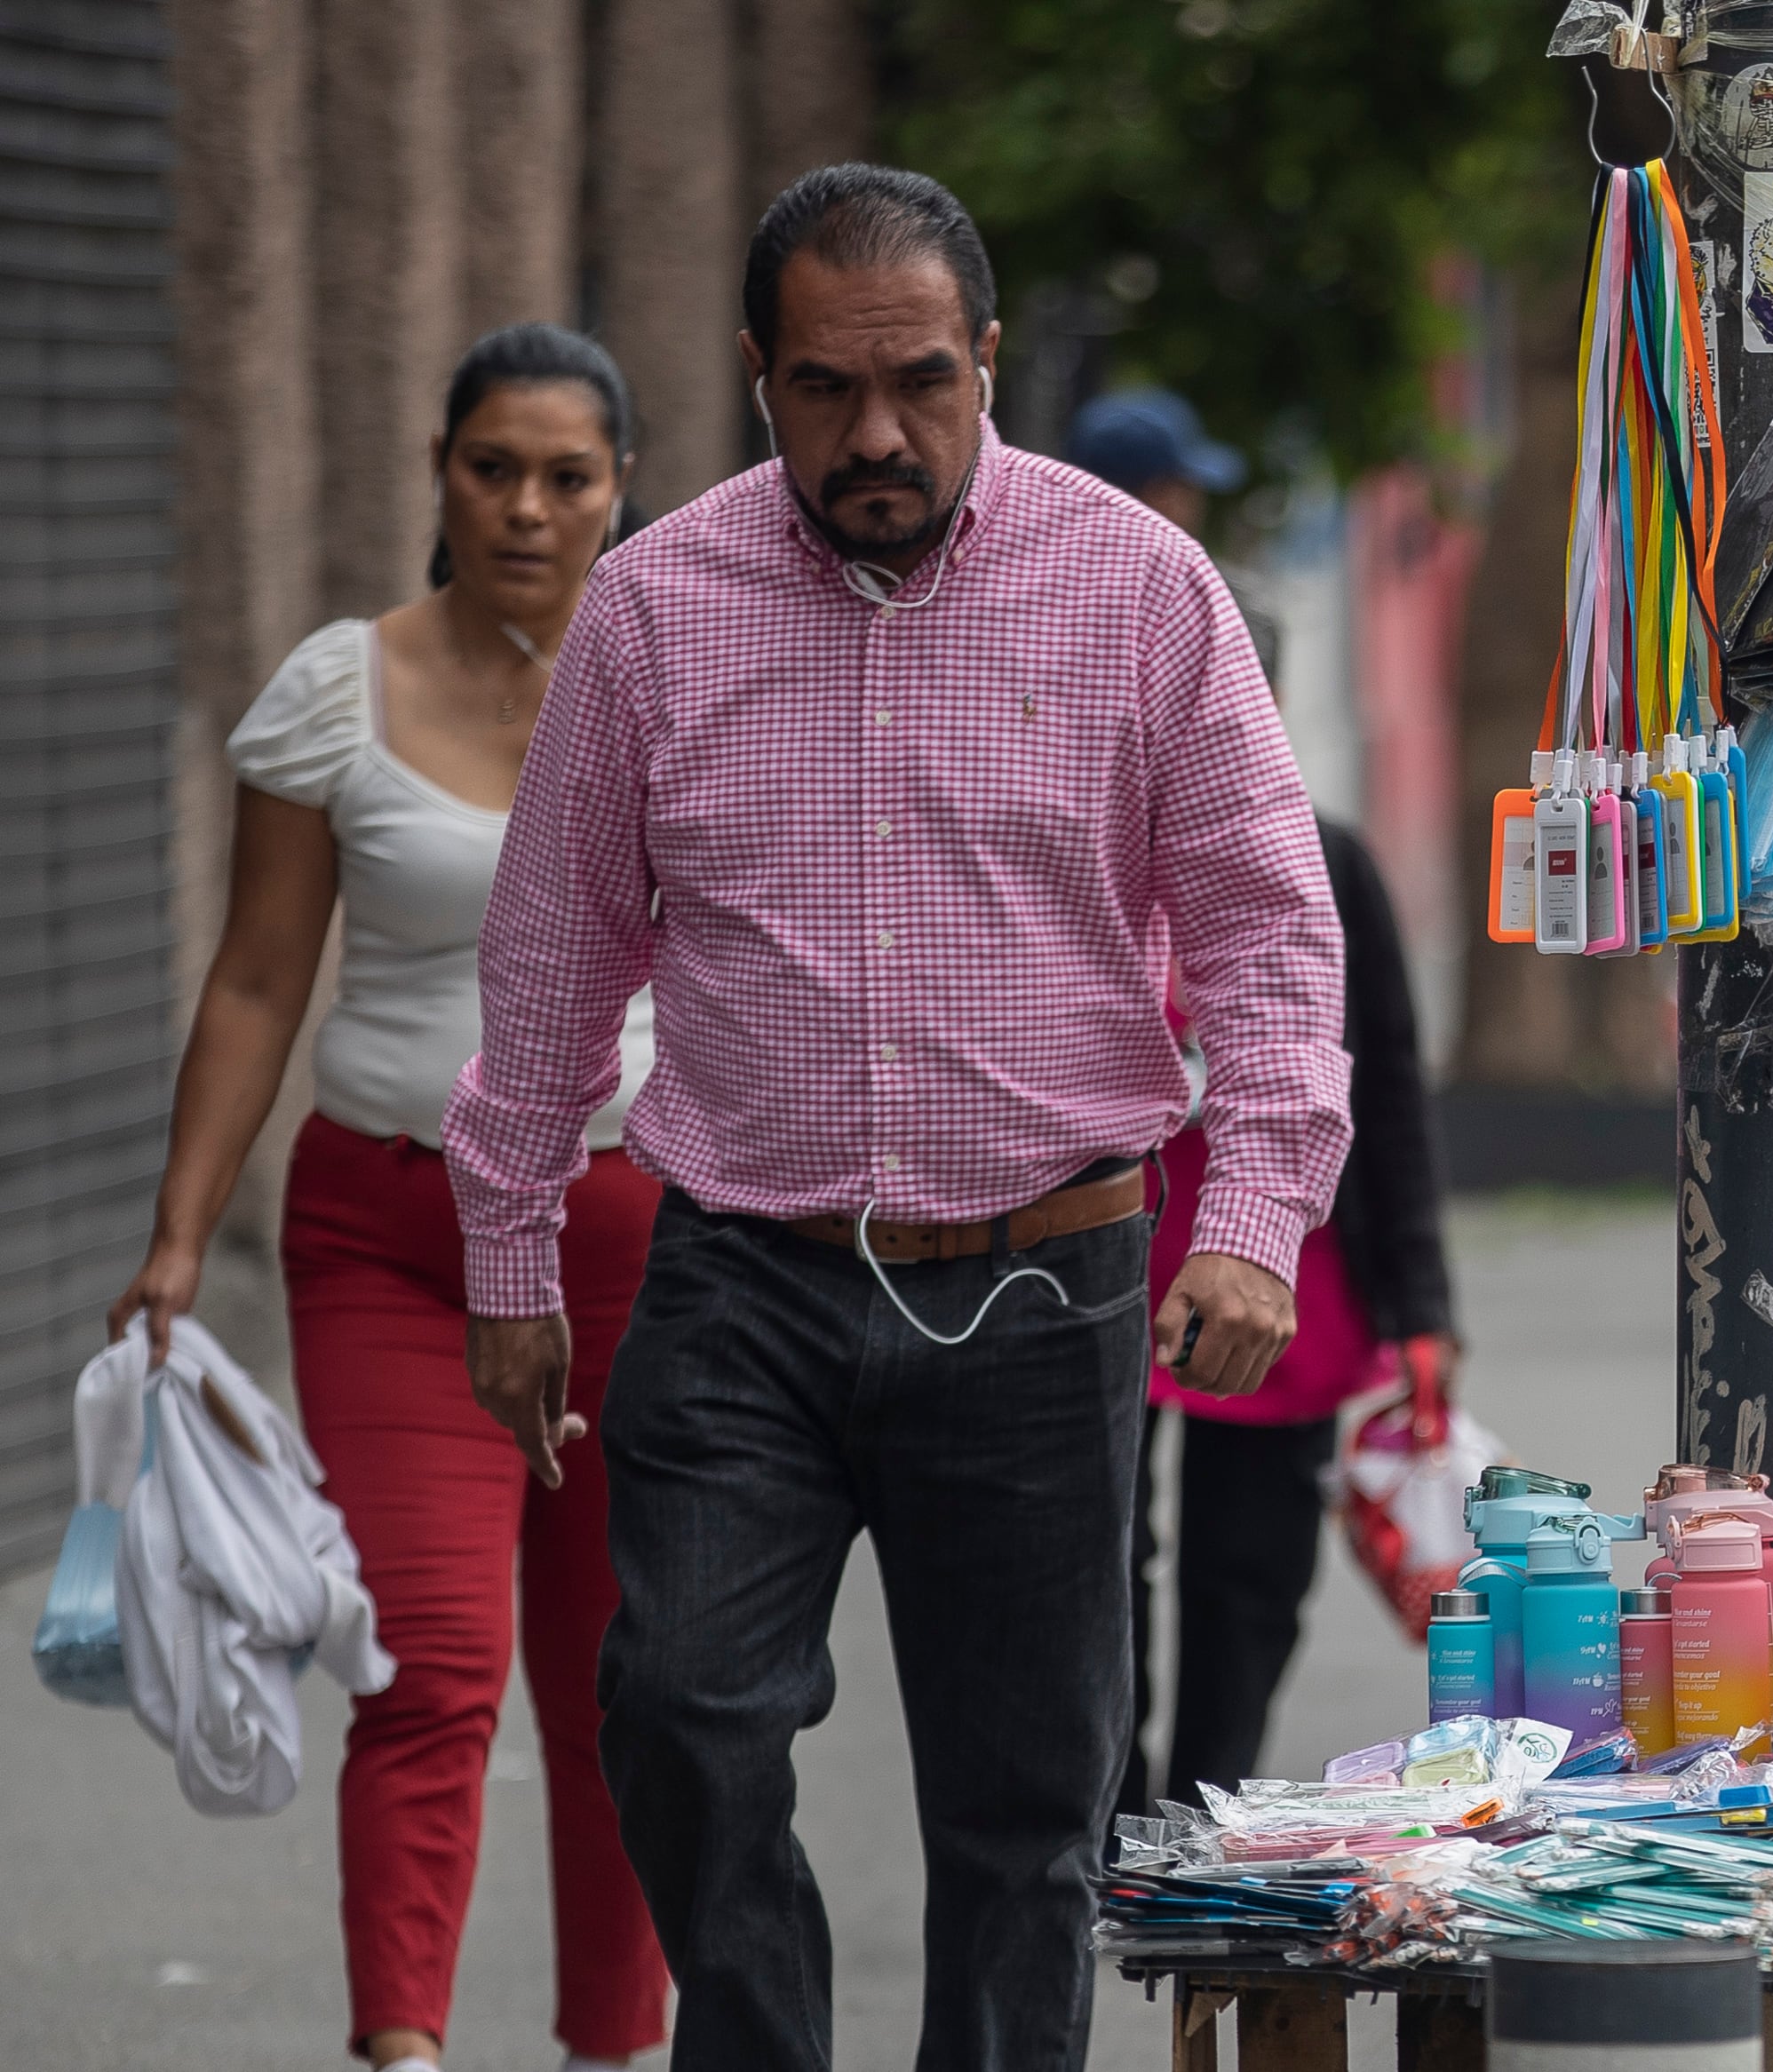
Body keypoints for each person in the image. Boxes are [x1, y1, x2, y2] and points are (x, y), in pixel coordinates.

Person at [441, 165, 1348, 2072]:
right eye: (824, 390)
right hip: (741, 1274)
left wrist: (1257, 1213)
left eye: (922, 381)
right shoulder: (654, 608)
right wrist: (509, 1247)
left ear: (988, 361)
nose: (878, 433)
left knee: (1028, 1812)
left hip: (1045, 1275)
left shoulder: (1140, 587)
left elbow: (1272, 929)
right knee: (679, 1706)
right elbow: (549, 954)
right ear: (756, 375)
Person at [108, 326, 666, 2072]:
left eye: (567, 475)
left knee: (623, 1684)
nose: (526, 505)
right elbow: (264, 975)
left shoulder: (685, 676)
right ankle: (402, 2043)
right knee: (428, 1655)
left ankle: (610, 2043)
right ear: (438, 470)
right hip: (390, 1236)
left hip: (635, 1240)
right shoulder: (336, 688)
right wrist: (182, 1231)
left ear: (619, 492)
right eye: (491, 465)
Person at [1066, 394, 1461, 1816]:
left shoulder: (1327, 860)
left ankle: (1204, 1794)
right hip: (1098, 1223)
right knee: (1097, 1532)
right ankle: (1103, 1793)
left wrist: (1420, 1304)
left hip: (1276, 1233)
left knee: (1250, 1555)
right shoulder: (1080, 837)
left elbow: (1391, 1089)